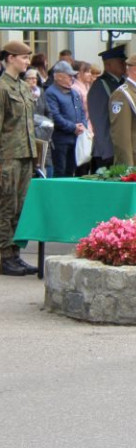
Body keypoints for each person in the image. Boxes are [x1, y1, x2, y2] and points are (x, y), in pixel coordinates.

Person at [0, 40, 40, 276]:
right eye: (23, 57)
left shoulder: (23, 88)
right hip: (7, 156)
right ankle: (4, 255)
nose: (27, 61)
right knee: (6, 205)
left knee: (20, 207)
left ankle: (15, 253)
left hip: (25, 154)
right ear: (10, 58)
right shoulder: (2, 87)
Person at [44, 60, 89, 178]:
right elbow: (55, 116)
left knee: (71, 171)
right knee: (60, 171)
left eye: (73, 76)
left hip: (75, 138)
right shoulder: (51, 93)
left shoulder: (74, 92)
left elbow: (82, 112)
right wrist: (73, 127)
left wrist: (83, 126)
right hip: (60, 139)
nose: (72, 79)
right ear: (58, 77)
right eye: (69, 76)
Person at [87, 44, 126, 170]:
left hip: (119, 148)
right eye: (120, 62)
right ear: (108, 65)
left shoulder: (121, 83)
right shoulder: (101, 85)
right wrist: (107, 151)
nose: (124, 64)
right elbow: (99, 121)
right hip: (107, 151)